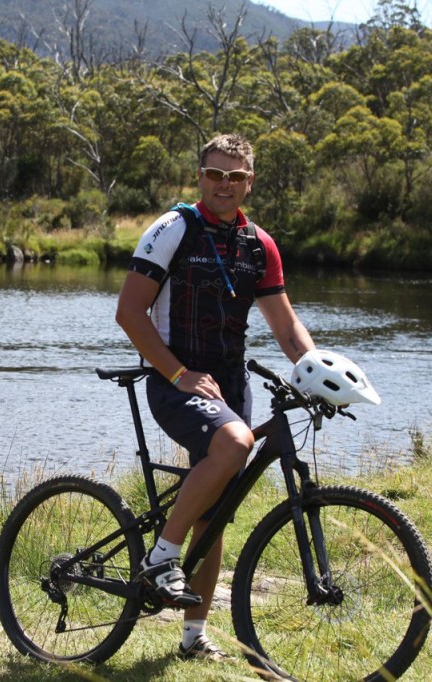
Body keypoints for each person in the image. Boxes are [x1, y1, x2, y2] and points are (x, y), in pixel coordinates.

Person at [114, 133, 316, 661]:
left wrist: (320, 373)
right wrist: (178, 373)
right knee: (234, 443)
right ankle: (161, 557)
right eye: (214, 174)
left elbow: (286, 326)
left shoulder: (258, 245)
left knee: (217, 514)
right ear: (200, 176)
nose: (223, 185)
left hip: (229, 383)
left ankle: (191, 637)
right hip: (172, 379)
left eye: (235, 176)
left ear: (249, 182)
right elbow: (130, 313)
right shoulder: (172, 230)